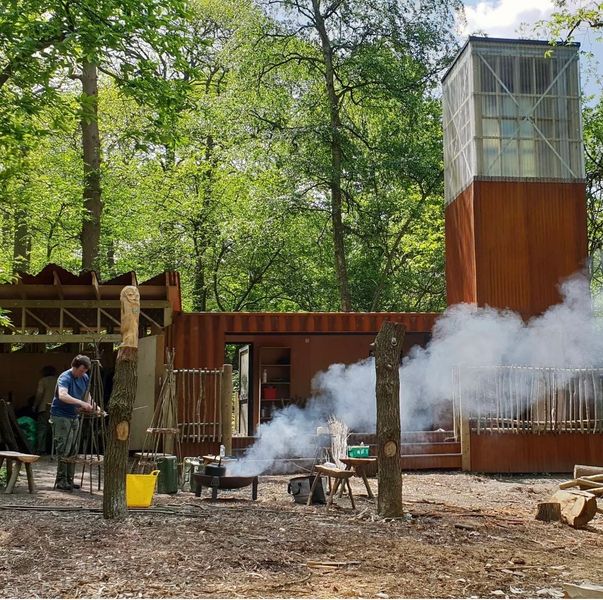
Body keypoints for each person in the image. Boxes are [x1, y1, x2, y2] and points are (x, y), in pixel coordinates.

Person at [50, 355, 95, 491]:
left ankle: (69, 480)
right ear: (74, 366)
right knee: (64, 447)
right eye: (81, 370)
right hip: (61, 416)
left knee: (74, 449)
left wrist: (94, 407)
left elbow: (87, 396)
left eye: (85, 371)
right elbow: (63, 395)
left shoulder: (84, 378)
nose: (83, 374)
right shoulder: (65, 377)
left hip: (74, 416)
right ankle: (61, 480)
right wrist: (81, 402)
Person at [33, 366, 57, 454]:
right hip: (56, 409)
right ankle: (54, 450)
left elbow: (39, 394)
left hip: (43, 408)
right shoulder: (59, 380)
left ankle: (41, 449)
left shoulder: (43, 381)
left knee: (42, 429)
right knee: (55, 430)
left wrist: (35, 406)